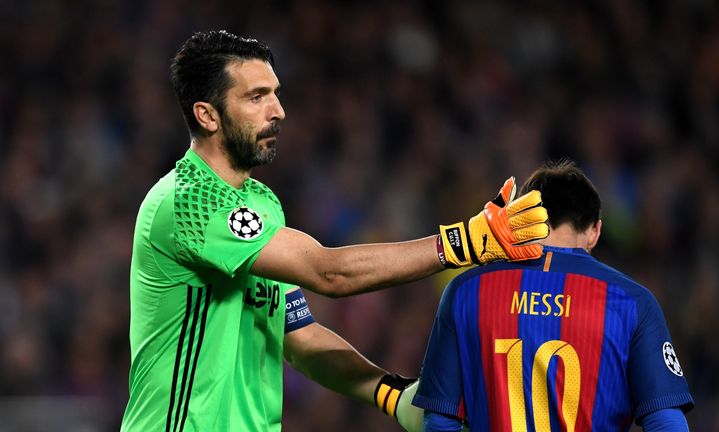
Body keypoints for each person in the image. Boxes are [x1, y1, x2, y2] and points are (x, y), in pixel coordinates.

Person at [120, 30, 550, 431]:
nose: (278, 111)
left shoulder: (260, 203)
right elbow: (331, 273)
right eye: (256, 97)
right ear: (207, 115)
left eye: (275, 94)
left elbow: (301, 337)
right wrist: (467, 242)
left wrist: (390, 393)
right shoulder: (187, 201)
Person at [412, 160, 694, 431]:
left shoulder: (465, 292)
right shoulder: (632, 302)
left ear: (519, 220)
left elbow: (439, 422)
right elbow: (666, 422)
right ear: (595, 231)